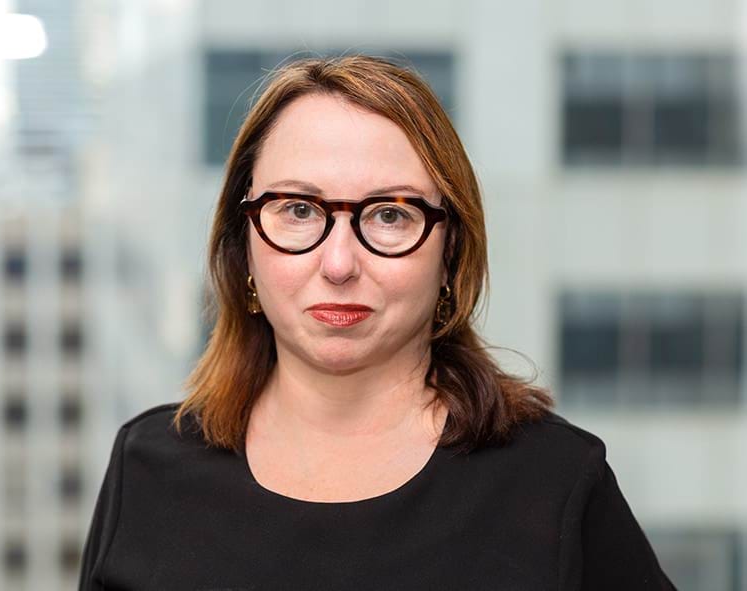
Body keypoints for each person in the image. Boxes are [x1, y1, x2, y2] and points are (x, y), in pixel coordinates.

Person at [79, 55, 675, 590]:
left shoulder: (556, 482)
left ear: (451, 256)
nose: (338, 264)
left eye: (390, 214)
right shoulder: (147, 466)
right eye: (298, 209)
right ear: (243, 249)